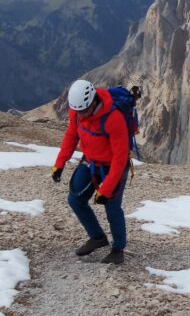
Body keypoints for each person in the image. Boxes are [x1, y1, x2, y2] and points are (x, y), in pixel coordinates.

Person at [50, 79, 131, 264]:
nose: (81, 116)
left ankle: (118, 250)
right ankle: (97, 237)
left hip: (114, 167)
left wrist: (106, 189)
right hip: (91, 162)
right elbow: (71, 136)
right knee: (75, 200)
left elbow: (120, 158)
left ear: (93, 101)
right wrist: (59, 163)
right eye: (78, 112)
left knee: (112, 208)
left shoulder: (113, 118)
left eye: (84, 111)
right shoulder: (77, 114)